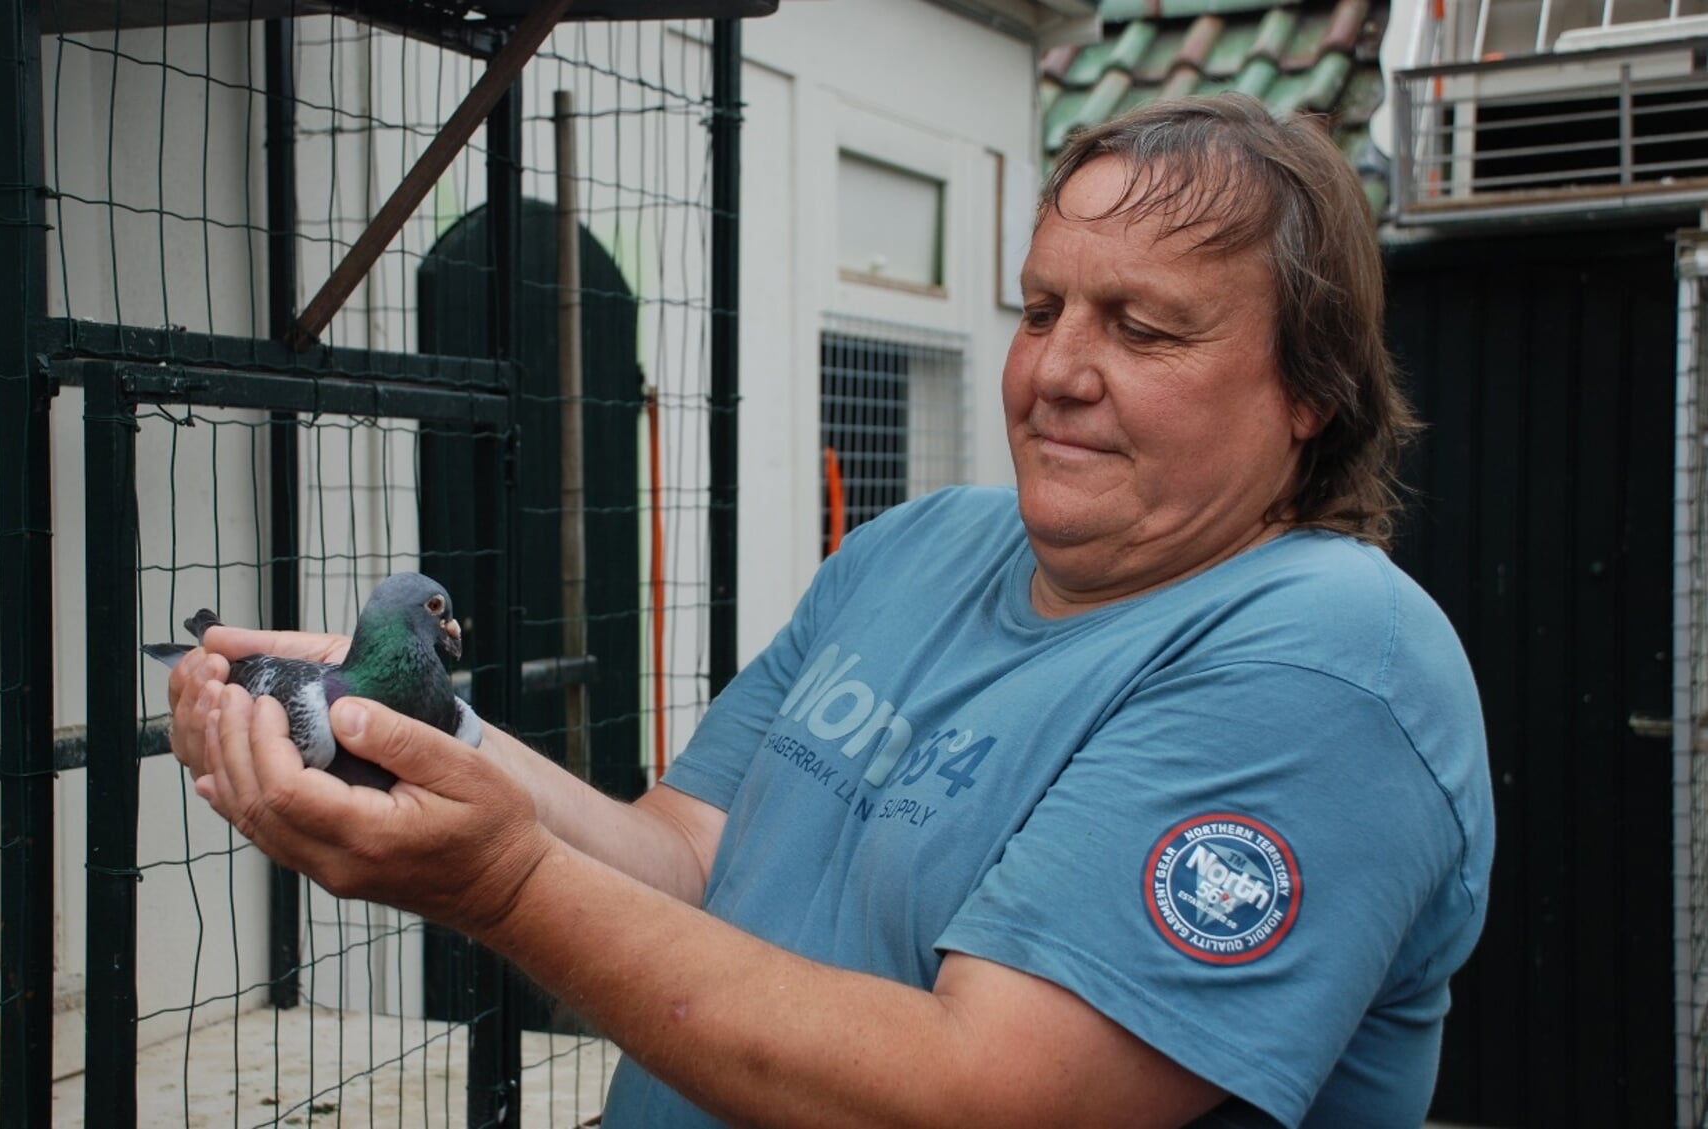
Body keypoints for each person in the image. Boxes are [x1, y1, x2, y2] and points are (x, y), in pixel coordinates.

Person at [168, 93, 1494, 1128]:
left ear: (1311, 388)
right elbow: (689, 862)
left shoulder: (1326, 661)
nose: (1058, 371)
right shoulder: (920, 544)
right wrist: (423, 724)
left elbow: (989, 1095)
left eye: (1144, 330)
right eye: (1042, 309)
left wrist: (499, 883)